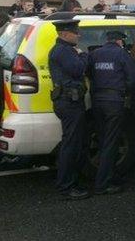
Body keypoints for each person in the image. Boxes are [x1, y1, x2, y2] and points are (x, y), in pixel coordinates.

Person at [88, 30, 135, 194]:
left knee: (103, 140)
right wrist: (126, 93)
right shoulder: (122, 54)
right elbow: (133, 78)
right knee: (111, 142)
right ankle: (103, 184)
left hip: (96, 101)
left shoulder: (95, 54)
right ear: (119, 41)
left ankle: (109, 176)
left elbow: (89, 73)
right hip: (114, 102)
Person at [48, 19, 89, 199]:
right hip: (69, 102)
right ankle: (66, 187)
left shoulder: (63, 50)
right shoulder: (64, 51)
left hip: (69, 101)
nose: (79, 35)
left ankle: (71, 181)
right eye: (75, 32)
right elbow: (78, 69)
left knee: (73, 143)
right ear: (64, 34)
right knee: (71, 145)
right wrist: (83, 55)